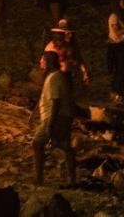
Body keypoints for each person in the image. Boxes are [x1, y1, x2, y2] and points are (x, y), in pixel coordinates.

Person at [31, 50, 75, 185]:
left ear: (48, 62)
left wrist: (50, 123)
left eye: (43, 60)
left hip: (56, 117)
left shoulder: (54, 78)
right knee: (66, 147)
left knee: (37, 143)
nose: (40, 62)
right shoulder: (55, 76)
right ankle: (72, 180)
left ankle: (39, 179)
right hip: (64, 116)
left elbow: (56, 101)